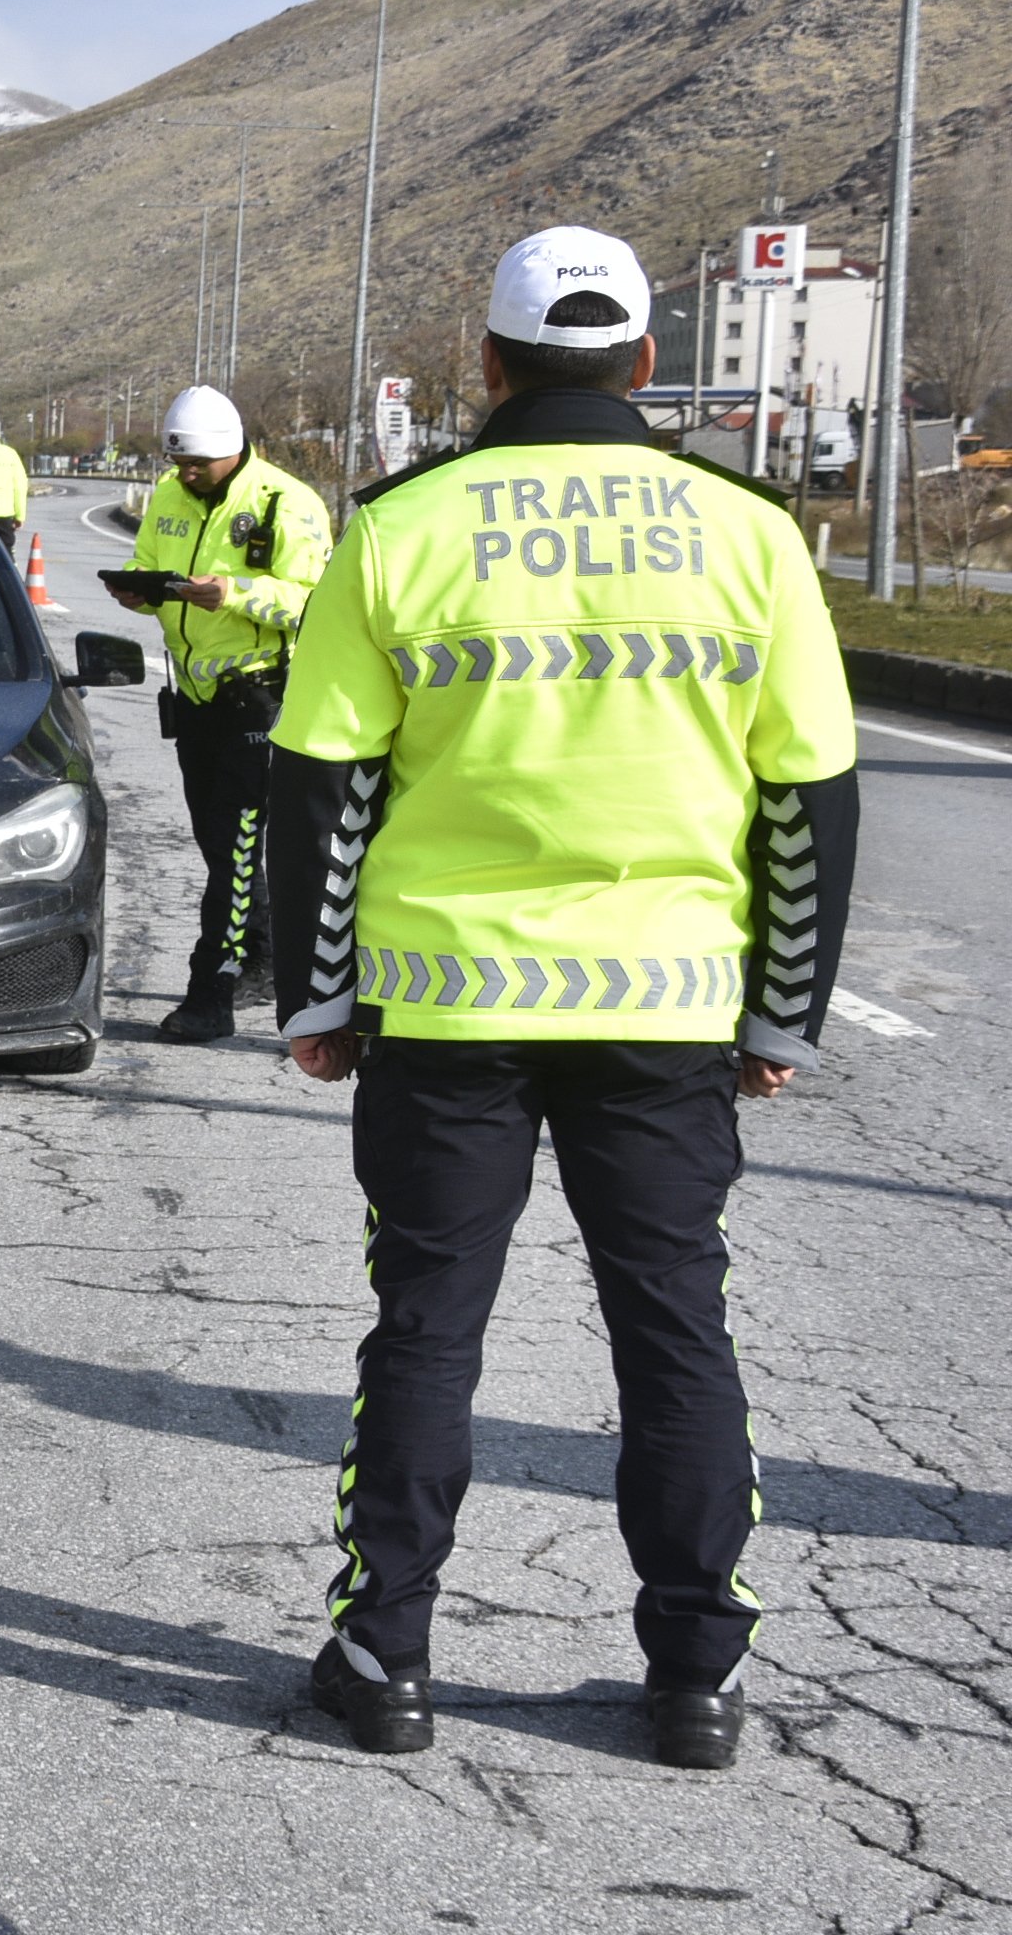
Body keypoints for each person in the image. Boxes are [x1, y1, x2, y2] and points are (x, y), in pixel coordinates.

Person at [267, 226, 859, 1772]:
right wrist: (782, 1011)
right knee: (675, 1337)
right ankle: (696, 1685)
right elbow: (807, 795)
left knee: (427, 1332)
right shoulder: (749, 533)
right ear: (650, 364)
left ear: (488, 363)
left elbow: (321, 780)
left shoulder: (402, 527)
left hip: (447, 1004)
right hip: (667, 1008)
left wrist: (313, 996)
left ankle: (384, 1654)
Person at [106, 385, 331, 1043]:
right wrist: (137, 589)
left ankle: (213, 989)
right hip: (195, 702)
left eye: (198, 463)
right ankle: (261, 955)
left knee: (234, 851)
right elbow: (149, 563)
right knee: (218, 846)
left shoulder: (286, 504)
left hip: (259, 697)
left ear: (232, 451)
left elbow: (315, 601)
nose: (186, 474)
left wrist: (234, 596)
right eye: (178, 463)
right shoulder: (170, 495)